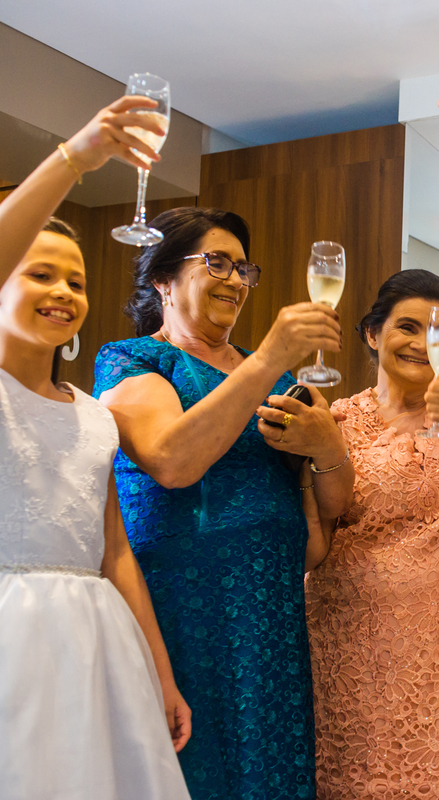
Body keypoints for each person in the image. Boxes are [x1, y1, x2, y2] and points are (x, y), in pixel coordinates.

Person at [94, 206, 354, 799]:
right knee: (193, 771)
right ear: (163, 278)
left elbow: (332, 511)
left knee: (270, 770)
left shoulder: (279, 385)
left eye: (243, 269)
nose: (236, 280)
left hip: (271, 612)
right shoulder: (132, 359)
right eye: (217, 263)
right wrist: (269, 356)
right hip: (184, 608)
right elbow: (171, 460)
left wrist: (326, 447)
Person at [0, 99, 190, 798]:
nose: (62, 292)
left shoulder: (94, 416)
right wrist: (75, 158)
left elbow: (115, 553)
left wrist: (160, 674)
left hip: (94, 643)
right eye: (39, 273)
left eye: (76, 281)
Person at [305, 269, 439, 799]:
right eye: (407, 327)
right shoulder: (336, 419)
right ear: (372, 333)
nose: (422, 343)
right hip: (350, 647)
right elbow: (316, 539)